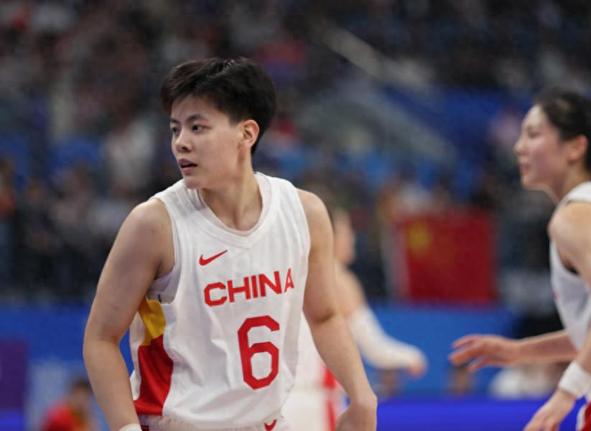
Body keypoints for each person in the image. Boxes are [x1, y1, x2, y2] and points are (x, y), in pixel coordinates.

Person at [83, 57, 377, 431]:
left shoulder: (304, 213)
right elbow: (100, 338)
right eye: (175, 129)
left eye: (197, 127)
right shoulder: (153, 225)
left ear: (247, 133)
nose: (181, 142)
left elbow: (325, 316)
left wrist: (362, 395)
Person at [450, 91, 591, 430]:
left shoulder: (575, 216)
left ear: (575, 147)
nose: (519, 147)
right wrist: (520, 352)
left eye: (533, 134)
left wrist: (566, 392)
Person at [283, 208, 427, 431]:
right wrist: (413, 357)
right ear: (327, 233)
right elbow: (376, 349)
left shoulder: (285, 270)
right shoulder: (337, 277)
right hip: (316, 402)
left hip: (277, 403)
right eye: (347, 230)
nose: (352, 237)